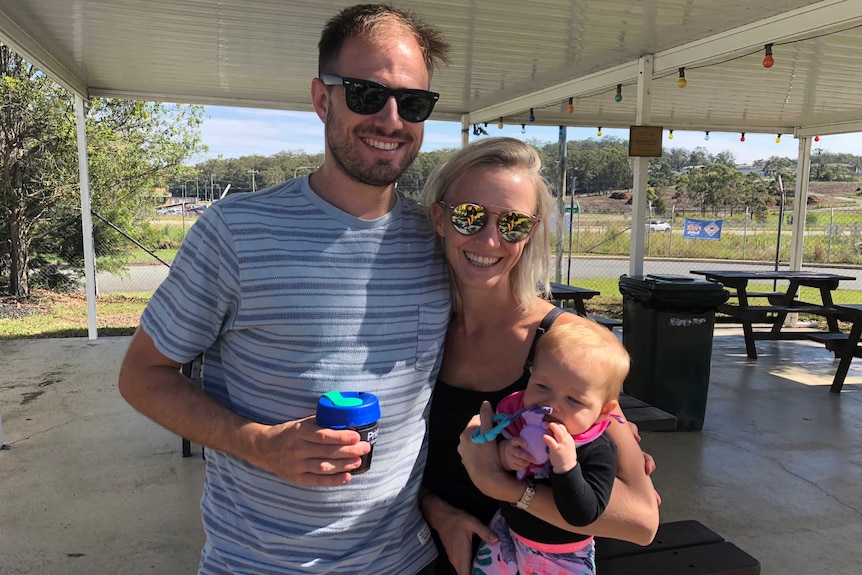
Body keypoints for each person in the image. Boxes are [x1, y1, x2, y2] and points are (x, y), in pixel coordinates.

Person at [118, 4, 451, 574]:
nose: (392, 119)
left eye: (413, 102)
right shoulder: (236, 232)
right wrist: (258, 443)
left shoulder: (437, 237)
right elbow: (142, 377)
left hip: (406, 561)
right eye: (367, 94)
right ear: (322, 99)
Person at [419, 137, 659, 575]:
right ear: (440, 218)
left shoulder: (566, 346)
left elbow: (641, 521)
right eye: (470, 216)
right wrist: (437, 510)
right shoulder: (421, 330)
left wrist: (504, 488)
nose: (490, 239)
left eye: (512, 223)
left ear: (529, 233)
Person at [472, 320, 630, 575]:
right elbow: (496, 460)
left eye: (573, 399)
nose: (552, 404)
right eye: (542, 387)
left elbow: (584, 514)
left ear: (603, 412)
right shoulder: (519, 422)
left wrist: (566, 466)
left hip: (563, 557)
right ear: (531, 375)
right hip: (506, 536)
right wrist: (505, 455)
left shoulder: (596, 448)